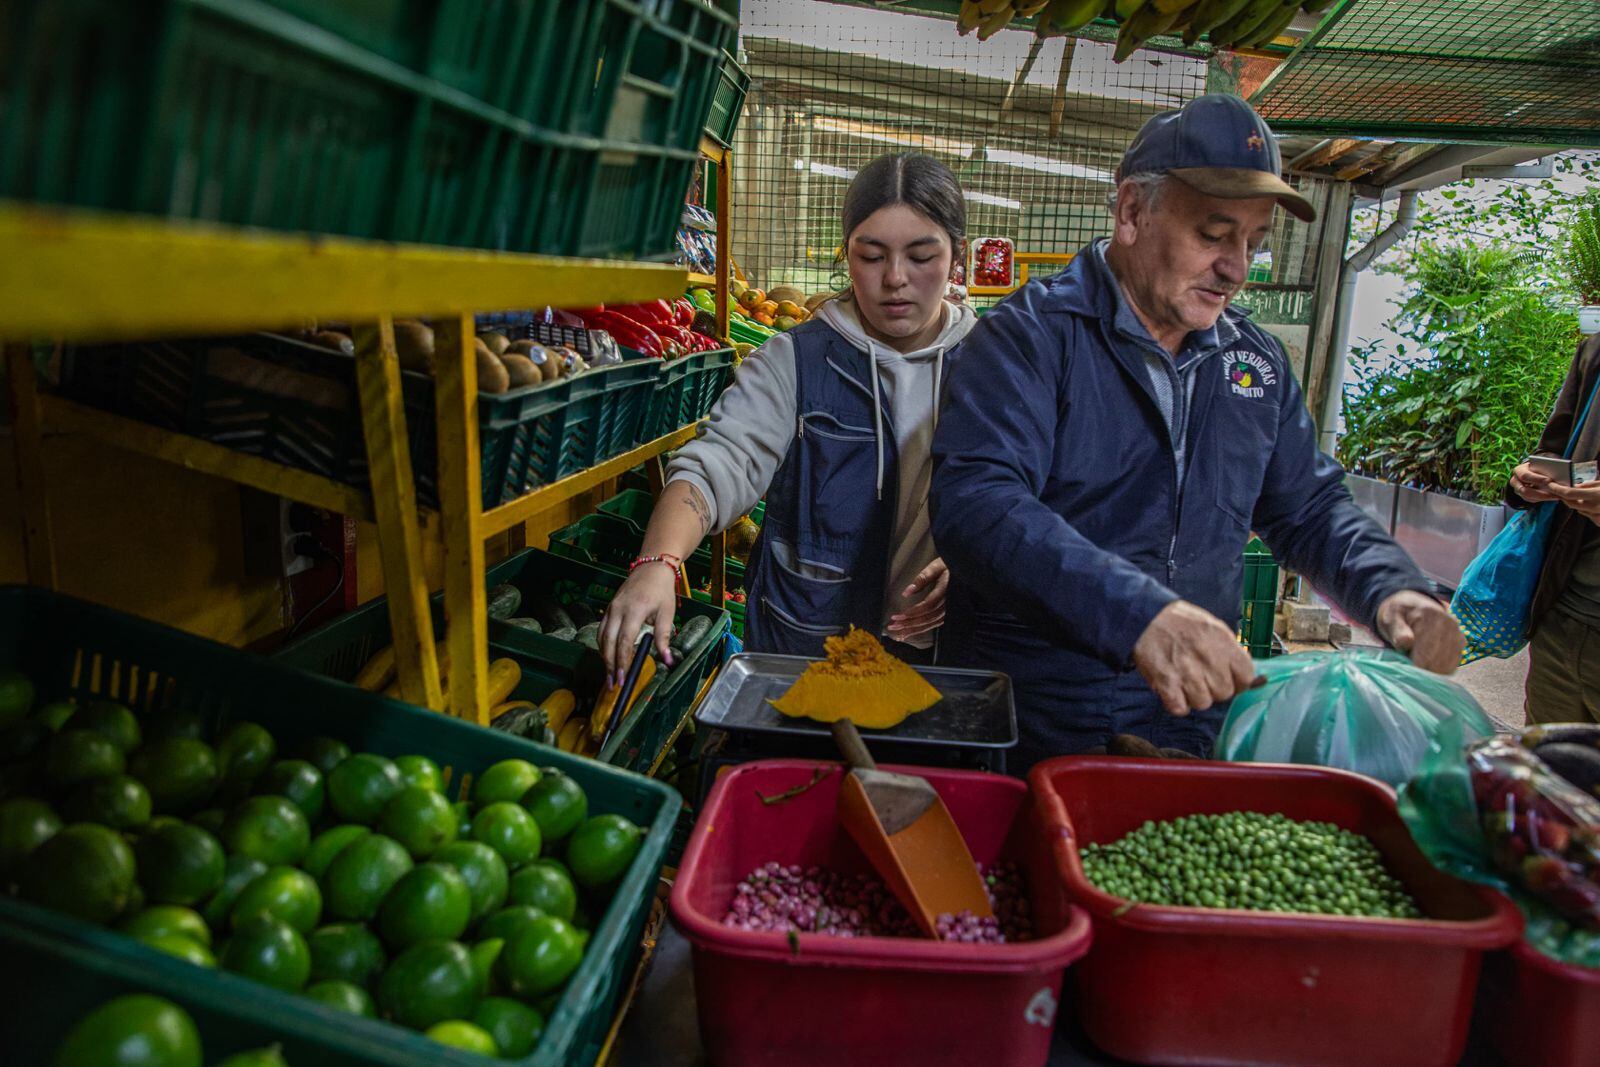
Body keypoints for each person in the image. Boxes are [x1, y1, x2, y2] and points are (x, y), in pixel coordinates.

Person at [928, 94, 1463, 772]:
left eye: (1252, 243)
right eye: (1214, 234)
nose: (1237, 267)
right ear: (1131, 212)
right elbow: (977, 505)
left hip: (1190, 718)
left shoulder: (1253, 362)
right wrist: (1138, 616)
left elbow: (1308, 506)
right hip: (1037, 718)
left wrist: (1394, 588)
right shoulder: (1030, 339)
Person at [599, 153, 977, 684]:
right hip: (805, 652)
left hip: (940, 657)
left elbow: (1033, 497)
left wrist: (981, 563)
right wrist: (658, 562)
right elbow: (719, 460)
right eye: (871, 256)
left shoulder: (994, 368)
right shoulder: (793, 362)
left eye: (921, 256)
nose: (895, 279)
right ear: (845, 254)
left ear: (957, 255)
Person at [1507, 332, 1600, 724]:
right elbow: (1555, 448)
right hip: (1564, 623)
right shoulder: (1594, 350)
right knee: (1547, 778)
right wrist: (1528, 480)